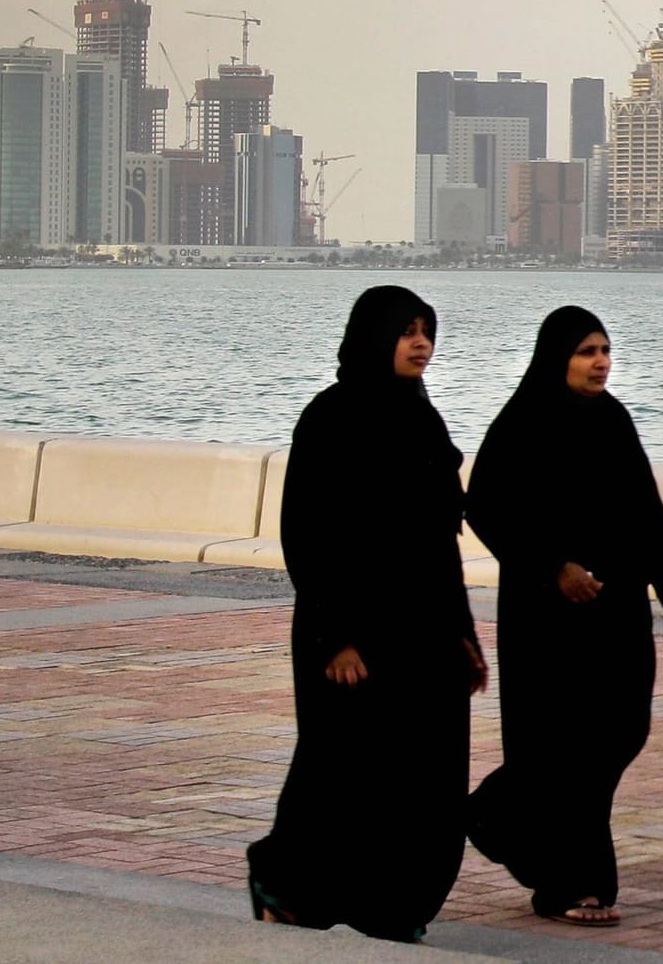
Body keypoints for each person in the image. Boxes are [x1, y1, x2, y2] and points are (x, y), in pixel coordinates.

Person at [247, 285, 489, 943]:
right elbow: (308, 534)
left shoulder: (422, 417)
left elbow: (442, 540)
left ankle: (397, 908)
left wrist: (464, 635)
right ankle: (285, 881)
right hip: (350, 632)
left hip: (424, 634)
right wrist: (337, 638)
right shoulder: (331, 417)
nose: (420, 344)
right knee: (342, 772)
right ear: (372, 336)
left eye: (426, 331)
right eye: (405, 330)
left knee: (427, 780)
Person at [465, 306, 663, 927]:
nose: (600, 362)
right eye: (585, 352)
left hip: (616, 612)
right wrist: (554, 566)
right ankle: (572, 884)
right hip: (547, 619)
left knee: (620, 730)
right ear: (556, 358)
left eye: (604, 350)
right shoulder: (522, 423)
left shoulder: (613, 419)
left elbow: (646, 509)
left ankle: (491, 814)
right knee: (558, 746)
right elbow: (484, 507)